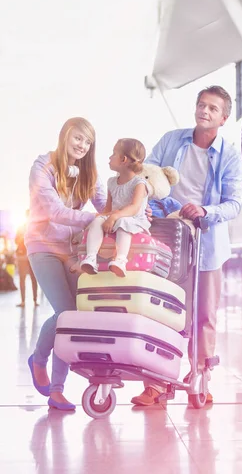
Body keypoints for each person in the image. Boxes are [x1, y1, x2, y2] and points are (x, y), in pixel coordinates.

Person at [131, 85, 242, 406]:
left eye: (212, 108)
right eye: (201, 105)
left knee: (204, 315)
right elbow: (146, 174)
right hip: (167, 240)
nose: (204, 111)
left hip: (207, 245)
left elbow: (235, 202)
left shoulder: (230, 155)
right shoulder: (172, 140)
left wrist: (206, 211)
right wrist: (152, 201)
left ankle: (200, 378)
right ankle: (156, 383)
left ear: (223, 118)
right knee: (161, 310)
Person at [25, 117, 107, 411]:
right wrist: (94, 220)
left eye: (88, 141)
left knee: (76, 313)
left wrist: (130, 213)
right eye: (78, 138)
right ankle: (38, 358)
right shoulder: (43, 165)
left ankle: (57, 390)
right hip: (42, 246)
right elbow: (55, 211)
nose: (82, 145)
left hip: (72, 250)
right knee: (66, 312)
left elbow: (105, 207)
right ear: (65, 136)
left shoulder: (89, 174)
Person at [80, 138, 150, 277]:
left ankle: (120, 260)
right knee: (97, 221)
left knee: (124, 222)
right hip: (115, 217)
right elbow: (107, 209)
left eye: (113, 154)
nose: (109, 157)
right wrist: (102, 218)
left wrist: (114, 216)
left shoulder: (139, 183)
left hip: (134, 219)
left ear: (123, 159)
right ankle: (91, 257)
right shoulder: (111, 182)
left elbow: (134, 208)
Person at [15, 210, 39, 307]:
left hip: (32, 255)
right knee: (22, 278)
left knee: (34, 278)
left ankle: (35, 300)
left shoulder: (36, 226)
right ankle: (23, 301)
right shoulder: (21, 228)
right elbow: (16, 240)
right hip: (22, 257)